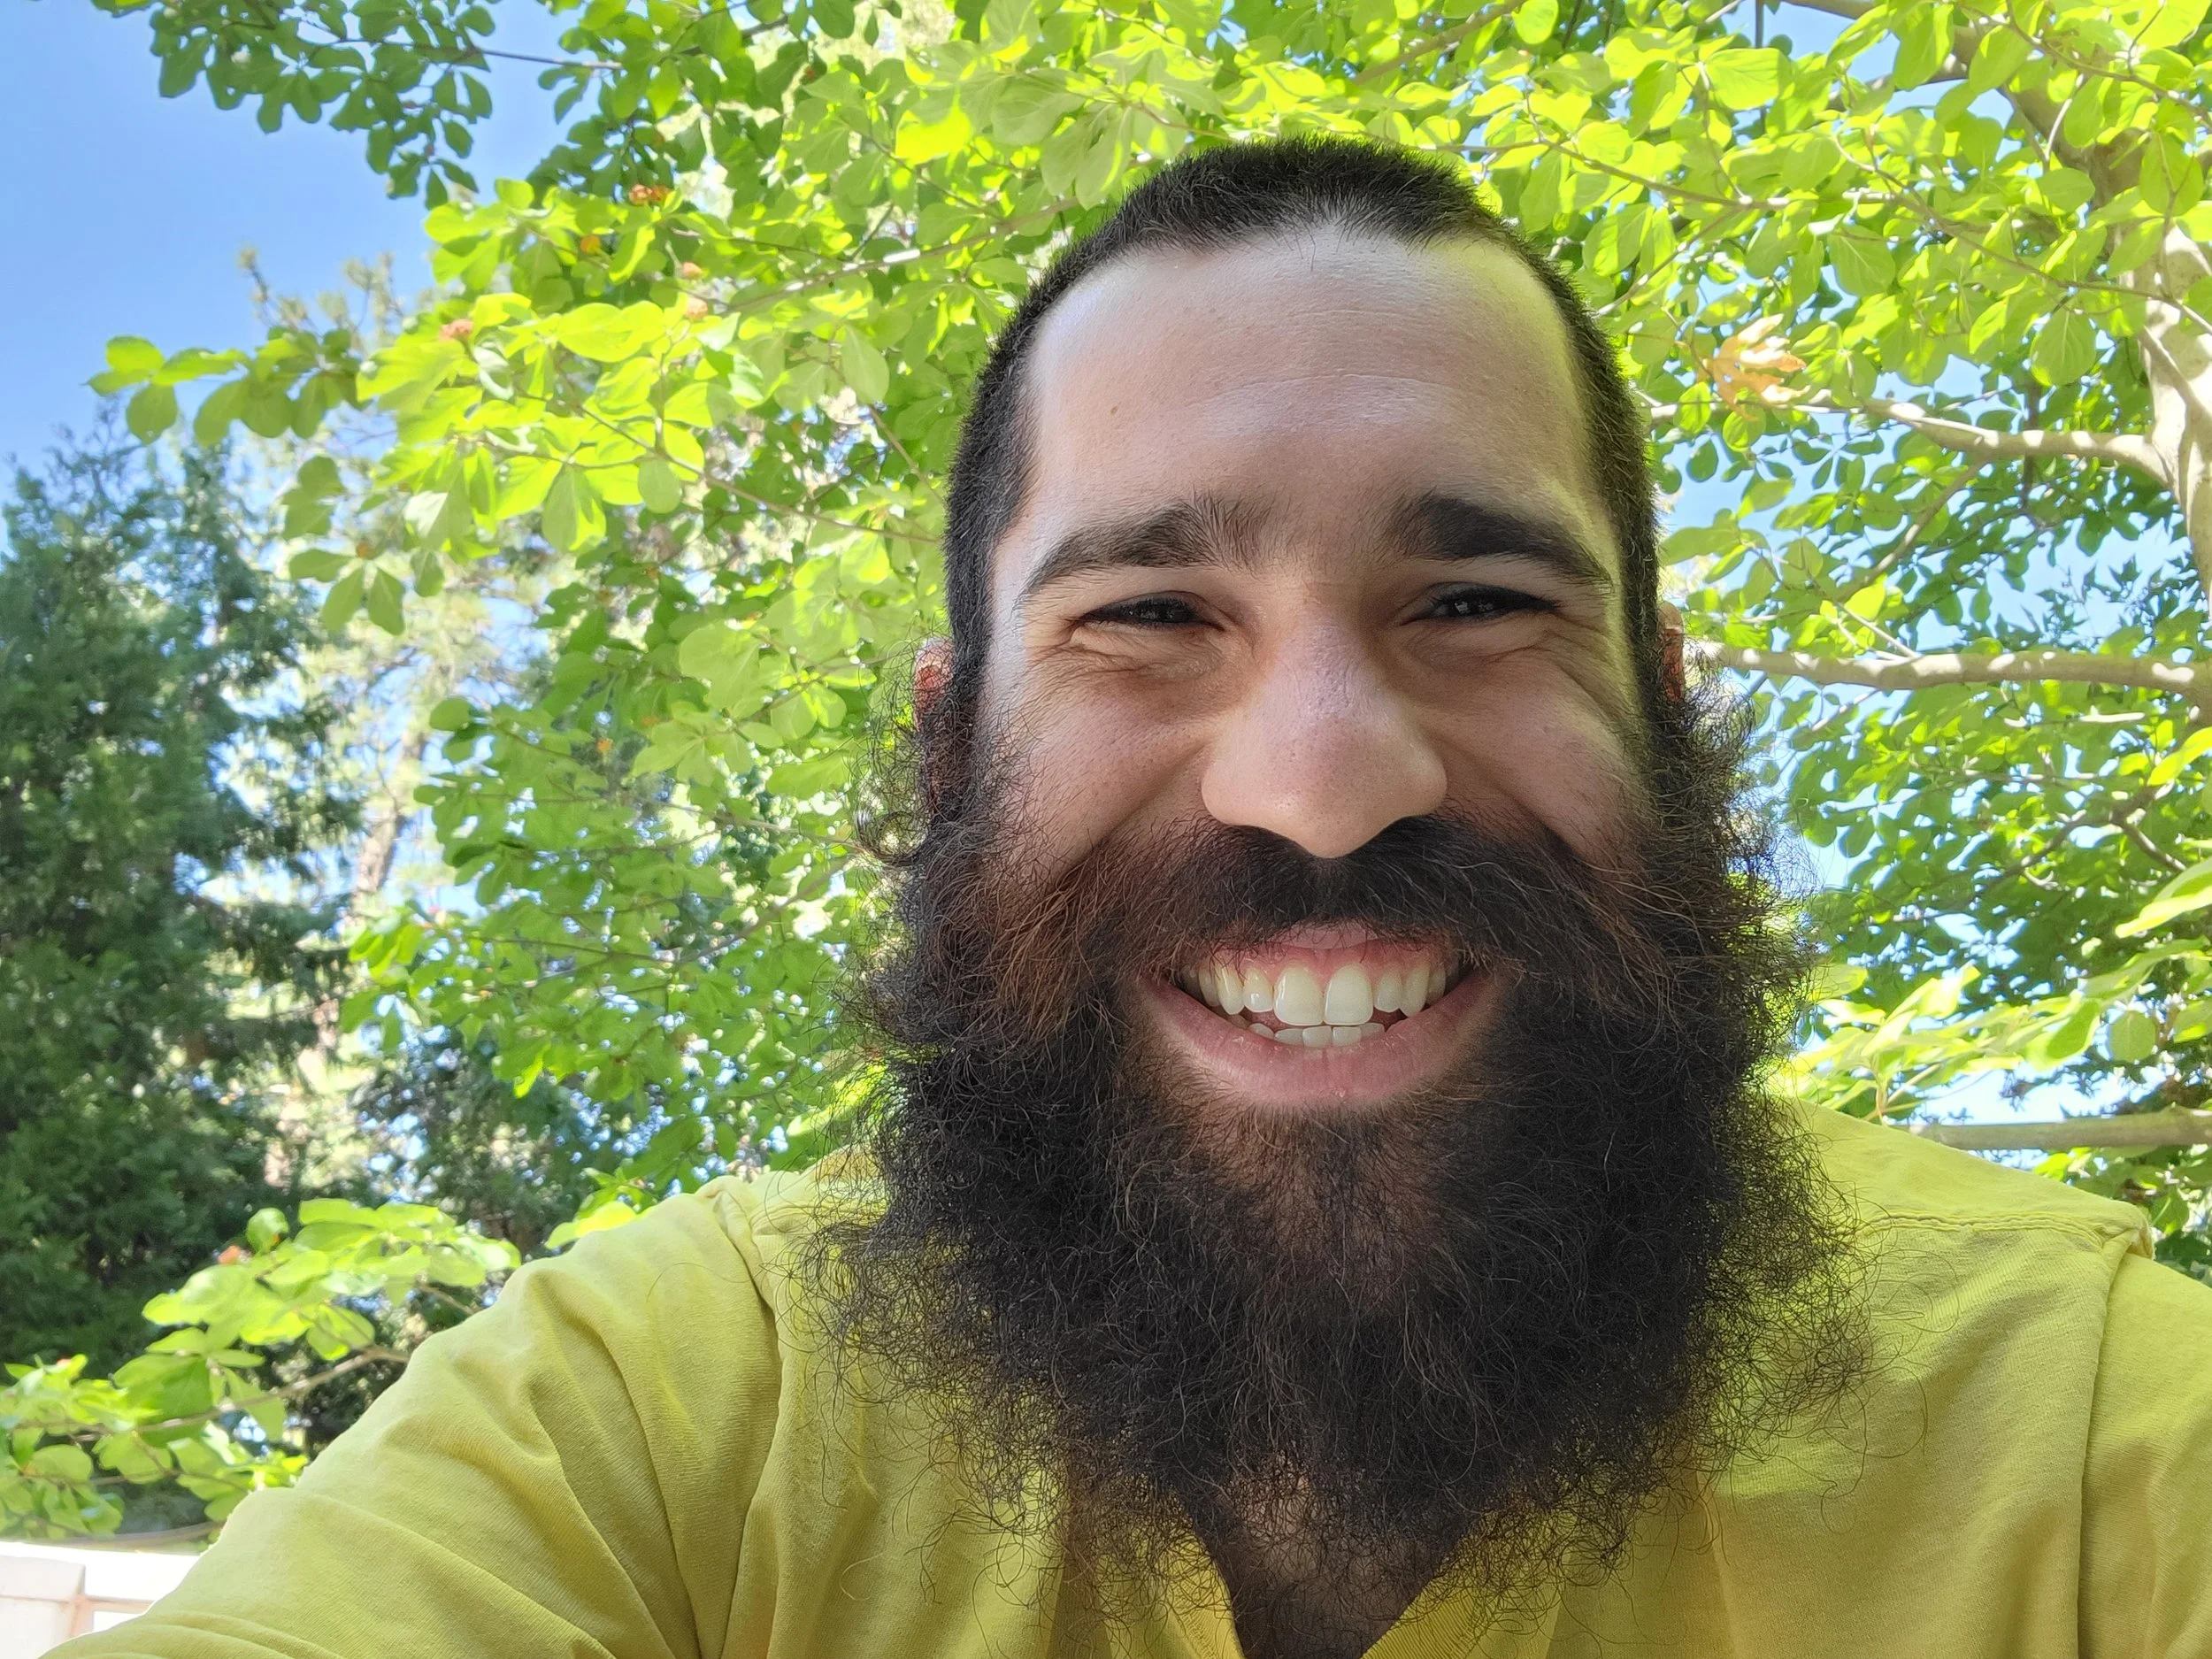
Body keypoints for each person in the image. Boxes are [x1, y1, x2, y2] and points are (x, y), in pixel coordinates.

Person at [64, 136, 2212, 1659]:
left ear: (1661, 711)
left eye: (1469, 598)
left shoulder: (2099, 1432)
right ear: (946, 746)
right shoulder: (658, 1422)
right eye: (1147, 613)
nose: (1320, 783)